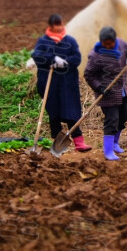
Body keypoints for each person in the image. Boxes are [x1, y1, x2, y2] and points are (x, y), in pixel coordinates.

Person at [30, 14, 91, 152]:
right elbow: (37, 55)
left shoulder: (70, 40)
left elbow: (77, 58)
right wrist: (52, 59)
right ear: (51, 26)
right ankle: (58, 145)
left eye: (60, 25)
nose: (59, 28)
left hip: (67, 83)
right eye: (56, 26)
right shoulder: (43, 41)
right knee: (54, 113)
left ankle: (79, 142)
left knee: (72, 111)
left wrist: (65, 62)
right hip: (50, 83)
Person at [83, 26, 127, 161]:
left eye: (110, 43)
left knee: (123, 117)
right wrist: (99, 87)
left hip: (122, 90)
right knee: (112, 120)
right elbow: (89, 74)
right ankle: (108, 151)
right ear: (101, 41)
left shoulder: (120, 44)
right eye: (105, 44)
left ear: (114, 40)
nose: (108, 46)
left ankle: (115, 143)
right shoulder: (95, 55)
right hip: (107, 93)